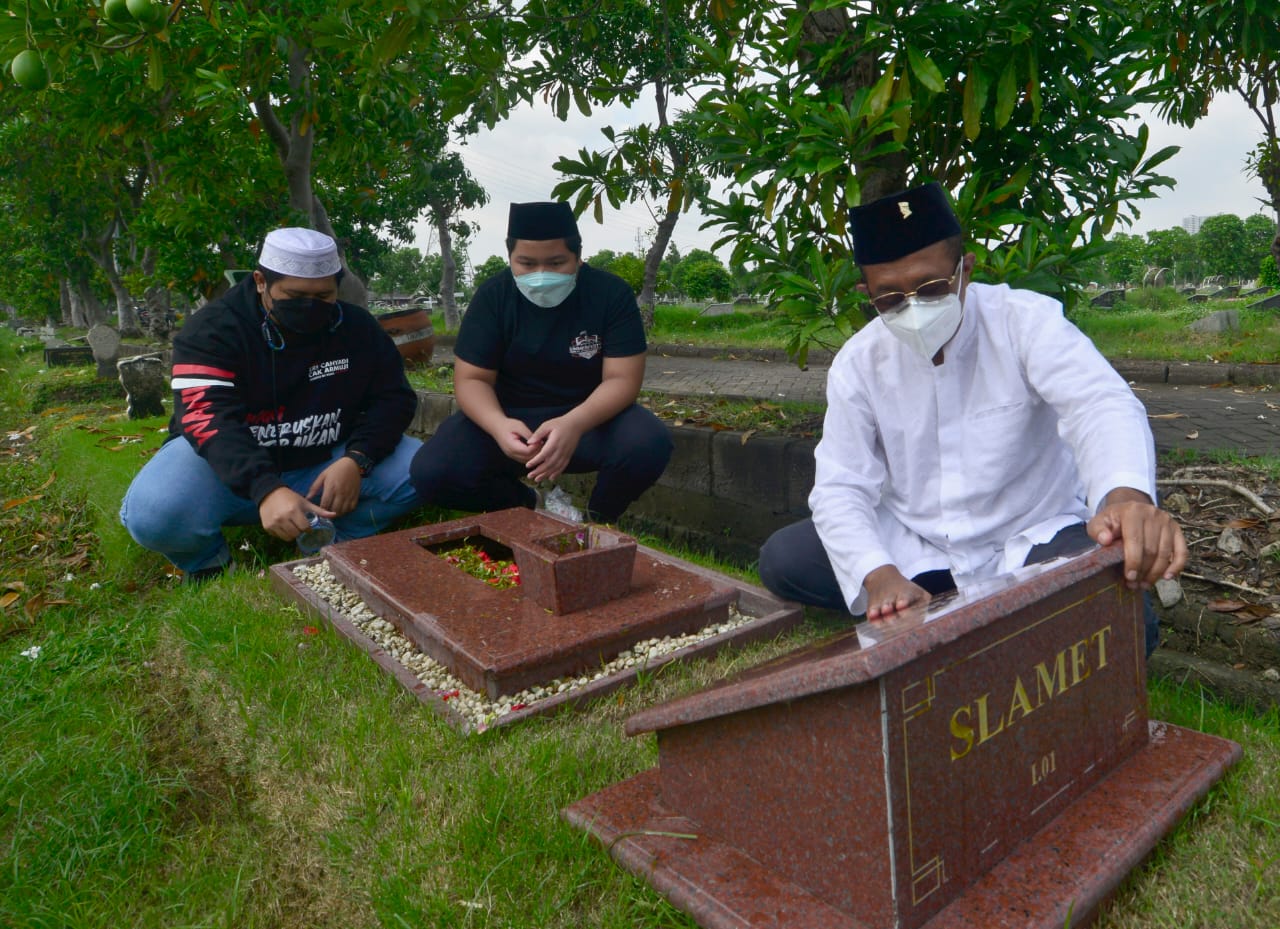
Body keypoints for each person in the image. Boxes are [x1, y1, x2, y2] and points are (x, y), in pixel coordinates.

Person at [758, 182, 1186, 654]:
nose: (913, 309)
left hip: (1031, 537)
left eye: (930, 288)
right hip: (917, 546)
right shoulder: (859, 363)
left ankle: (964, 610)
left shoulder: (1025, 321)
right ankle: (968, 607)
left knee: (1126, 625)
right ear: (867, 293)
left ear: (965, 270)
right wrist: (879, 575)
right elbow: (841, 485)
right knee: (784, 557)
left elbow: (1099, 403)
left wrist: (1125, 497)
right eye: (890, 299)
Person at [120, 227, 423, 580]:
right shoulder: (213, 330)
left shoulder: (357, 327)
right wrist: (264, 488)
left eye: (324, 296)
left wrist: (357, 459)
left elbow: (394, 397)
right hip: (226, 465)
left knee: (421, 471)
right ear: (261, 281)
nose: (310, 306)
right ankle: (208, 563)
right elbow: (207, 417)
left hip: (323, 459)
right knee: (154, 514)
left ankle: (336, 542)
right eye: (295, 295)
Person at [410, 201, 672, 523]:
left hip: (589, 419)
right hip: (511, 422)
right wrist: (497, 425)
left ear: (577, 256)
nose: (541, 275)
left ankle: (595, 522)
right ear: (510, 258)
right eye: (526, 263)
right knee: (432, 471)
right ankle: (529, 506)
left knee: (648, 444)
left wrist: (574, 423)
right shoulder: (493, 297)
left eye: (556, 263)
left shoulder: (610, 294)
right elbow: (472, 379)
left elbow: (622, 379)